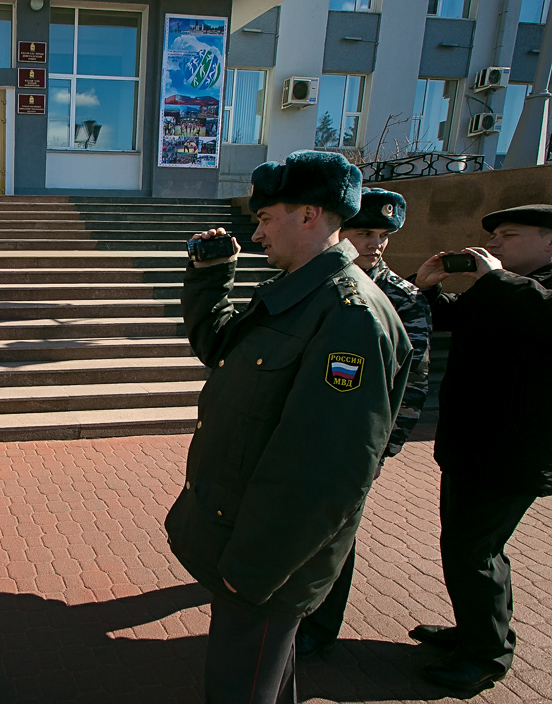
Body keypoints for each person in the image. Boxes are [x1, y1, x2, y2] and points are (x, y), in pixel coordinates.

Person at [164, 150, 412, 703]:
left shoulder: (348, 316)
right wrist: (210, 276)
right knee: (265, 681)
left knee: (241, 687)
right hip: (249, 545)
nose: (255, 236)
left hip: (266, 565)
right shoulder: (299, 291)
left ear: (308, 215)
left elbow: (326, 470)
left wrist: (253, 571)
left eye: (265, 219)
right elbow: (219, 348)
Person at [409, 204, 552, 692]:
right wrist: (424, 286)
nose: (494, 245)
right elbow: (447, 318)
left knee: (475, 551)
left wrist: (495, 280)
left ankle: (485, 657)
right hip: (475, 447)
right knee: (472, 548)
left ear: (549, 241)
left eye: (509, 236)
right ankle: (477, 631)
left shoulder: (523, 290)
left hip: (513, 454)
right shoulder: (506, 288)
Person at [296, 187, 432, 658]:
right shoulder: (312, 281)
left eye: (383, 235)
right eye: (364, 232)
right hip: (305, 430)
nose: (375, 243)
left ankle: (318, 627)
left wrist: (384, 449)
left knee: (335, 534)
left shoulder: (403, 298)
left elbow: (411, 383)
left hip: (355, 441)